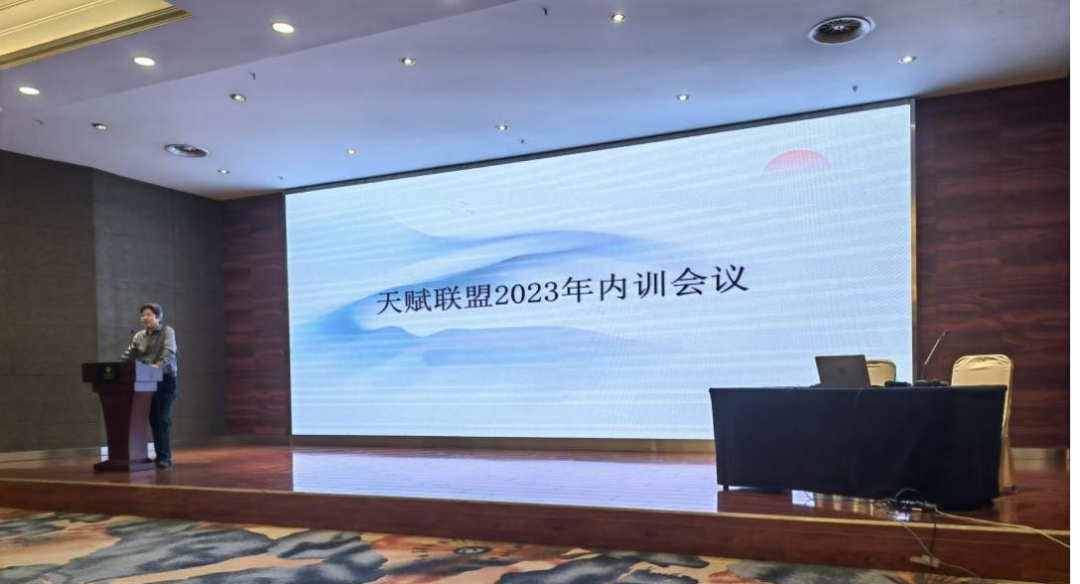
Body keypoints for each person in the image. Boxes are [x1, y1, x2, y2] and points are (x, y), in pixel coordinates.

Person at [121, 303, 179, 469]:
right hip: (147, 382)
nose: (144, 318)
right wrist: (119, 368)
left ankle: (165, 457)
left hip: (165, 381)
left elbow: (169, 352)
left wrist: (157, 366)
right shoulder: (139, 336)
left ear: (158, 317)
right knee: (154, 419)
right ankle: (160, 455)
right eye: (142, 315)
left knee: (162, 418)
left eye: (148, 314)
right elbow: (128, 355)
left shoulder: (167, 331)